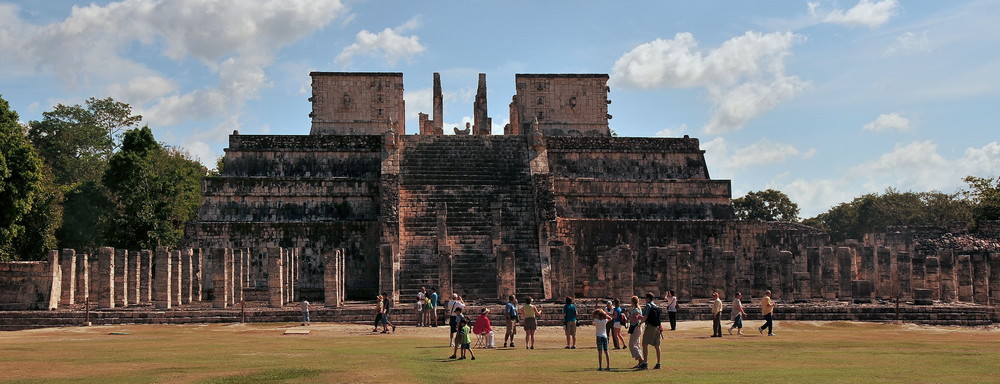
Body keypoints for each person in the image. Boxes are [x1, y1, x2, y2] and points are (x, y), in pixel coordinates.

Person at [638, 292, 662, 370]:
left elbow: (645, 317)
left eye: (645, 298)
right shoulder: (656, 306)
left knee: (644, 343)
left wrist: (639, 323)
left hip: (651, 326)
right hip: (657, 327)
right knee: (657, 345)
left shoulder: (648, 306)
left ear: (648, 298)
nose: (645, 299)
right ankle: (658, 363)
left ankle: (645, 363)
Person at [627, 296, 644, 368]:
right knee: (637, 344)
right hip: (637, 328)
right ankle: (640, 362)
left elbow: (635, 320)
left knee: (632, 344)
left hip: (636, 328)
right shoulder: (637, 309)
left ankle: (641, 359)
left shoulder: (636, 310)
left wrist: (629, 316)